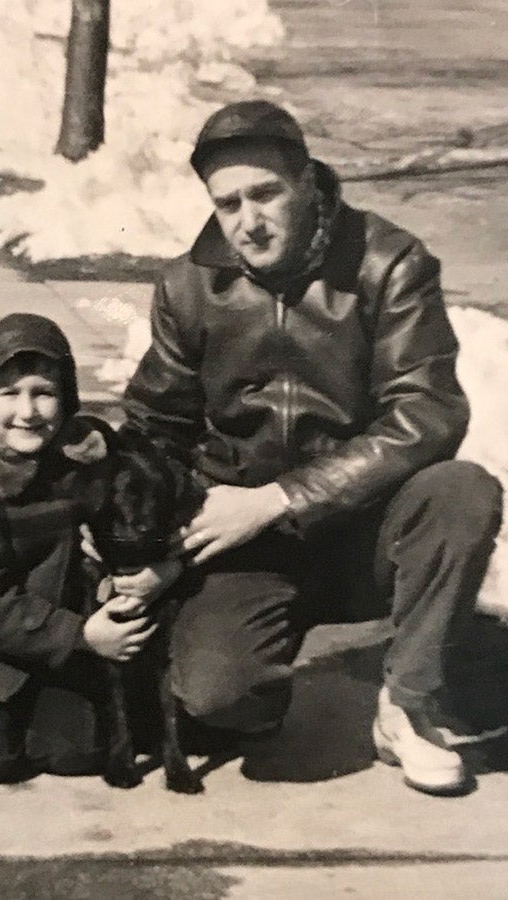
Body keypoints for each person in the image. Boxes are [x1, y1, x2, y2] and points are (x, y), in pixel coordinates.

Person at [119, 100, 506, 795]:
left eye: (265, 193)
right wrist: (149, 538)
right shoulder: (187, 287)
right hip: (249, 545)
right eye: (229, 203)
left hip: (368, 527)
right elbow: (155, 425)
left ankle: (410, 704)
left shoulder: (389, 263)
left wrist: (280, 498)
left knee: (462, 490)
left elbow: (428, 410)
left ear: (306, 181)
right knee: (218, 698)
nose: (248, 220)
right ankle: (256, 667)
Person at [0, 313, 179, 783]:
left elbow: (146, 496)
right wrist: (81, 637)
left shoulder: (86, 453)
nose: (28, 411)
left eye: (44, 392)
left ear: (68, 399)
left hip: (52, 638)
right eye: (9, 393)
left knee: (79, 753)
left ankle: (32, 709)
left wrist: (159, 564)